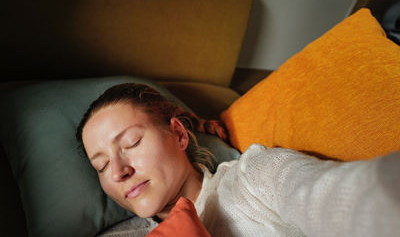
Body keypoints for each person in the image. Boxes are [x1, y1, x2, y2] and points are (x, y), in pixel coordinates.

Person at [76, 83, 400, 237]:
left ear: (178, 134)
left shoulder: (255, 178)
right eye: (101, 165)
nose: (118, 171)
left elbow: (347, 199)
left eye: (131, 143)